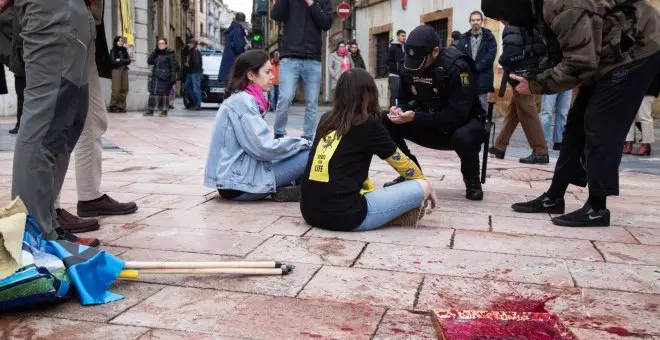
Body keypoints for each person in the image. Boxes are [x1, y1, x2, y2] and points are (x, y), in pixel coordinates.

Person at [483, 0, 660, 227]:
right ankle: (554, 197)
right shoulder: (540, 9)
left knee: (600, 123)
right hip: (607, 52)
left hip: (638, 49)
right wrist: (536, 71)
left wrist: (535, 84)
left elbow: (580, 64)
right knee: (575, 125)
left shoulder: (565, 6)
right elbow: (563, 51)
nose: (505, 23)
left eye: (501, 18)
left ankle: (597, 208)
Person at [5, 0, 98, 246]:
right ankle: (32, 235)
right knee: (45, 124)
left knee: (70, 119)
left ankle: (48, 224)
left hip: (76, 9)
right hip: (52, 9)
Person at [301, 68, 437, 231]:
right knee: (421, 186)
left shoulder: (326, 119)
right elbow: (403, 165)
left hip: (309, 212)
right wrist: (425, 185)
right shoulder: (368, 124)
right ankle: (389, 215)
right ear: (369, 94)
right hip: (346, 216)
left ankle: (388, 213)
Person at [381, 25, 486, 201]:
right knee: (385, 119)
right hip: (428, 122)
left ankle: (472, 179)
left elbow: (457, 115)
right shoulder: (408, 65)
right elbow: (402, 97)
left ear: (435, 51)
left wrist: (416, 116)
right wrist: (399, 109)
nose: (416, 67)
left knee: (464, 135)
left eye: (422, 61)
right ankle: (410, 172)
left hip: (459, 126)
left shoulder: (457, 67)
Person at [204, 50, 312, 202]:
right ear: (251, 75)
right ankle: (304, 190)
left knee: (293, 151)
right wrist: (303, 143)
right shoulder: (244, 102)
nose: (272, 76)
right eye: (267, 72)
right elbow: (264, 147)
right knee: (310, 152)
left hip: (233, 181)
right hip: (240, 185)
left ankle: (293, 188)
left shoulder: (239, 98)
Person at [271, 0, 332, 141]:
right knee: (285, 97)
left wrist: (311, 3)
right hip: (289, 57)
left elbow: (326, 23)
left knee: (312, 102)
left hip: (313, 58)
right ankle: (279, 133)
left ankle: (307, 136)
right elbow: (275, 14)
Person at [489, 25, 549, 164]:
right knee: (514, 111)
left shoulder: (512, 26)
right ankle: (500, 146)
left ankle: (541, 151)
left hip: (520, 75)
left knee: (528, 112)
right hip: (533, 72)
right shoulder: (530, 22)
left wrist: (501, 60)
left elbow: (509, 55)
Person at [457, 11, 497, 111]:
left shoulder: (489, 36)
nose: (475, 22)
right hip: (465, 75)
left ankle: (481, 125)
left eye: (478, 20)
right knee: (466, 103)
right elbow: (459, 55)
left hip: (483, 75)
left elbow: (491, 55)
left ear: (481, 21)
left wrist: (476, 67)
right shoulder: (463, 38)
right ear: (470, 22)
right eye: (473, 20)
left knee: (481, 104)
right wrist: (467, 67)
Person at [0, 4, 24, 135]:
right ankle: (20, 123)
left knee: (24, 91)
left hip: (21, 51)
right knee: (21, 91)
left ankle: (21, 123)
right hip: (17, 54)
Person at [625, 73, 659, 156]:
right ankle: (628, 142)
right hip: (631, 85)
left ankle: (645, 144)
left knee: (644, 116)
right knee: (629, 116)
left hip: (648, 85)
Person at [146, 38, 177, 116]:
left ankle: (164, 111)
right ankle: (150, 110)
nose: (161, 45)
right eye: (159, 43)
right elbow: (149, 61)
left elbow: (173, 67)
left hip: (165, 77)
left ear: (166, 45)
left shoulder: (170, 54)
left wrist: (172, 78)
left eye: (162, 43)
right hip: (155, 76)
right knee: (153, 93)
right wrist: (155, 51)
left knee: (164, 94)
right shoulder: (156, 53)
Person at [218, 12, 247, 83]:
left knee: (230, 89)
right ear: (243, 21)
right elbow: (239, 48)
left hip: (229, 67)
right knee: (234, 89)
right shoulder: (238, 31)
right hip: (234, 66)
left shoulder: (232, 30)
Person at [108, 36, 131, 113]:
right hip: (116, 70)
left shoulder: (125, 51)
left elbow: (129, 61)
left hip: (124, 70)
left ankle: (121, 106)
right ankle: (113, 106)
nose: (121, 42)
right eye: (119, 41)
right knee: (116, 89)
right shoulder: (113, 51)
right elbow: (112, 62)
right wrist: (122, 61)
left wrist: (120, 60)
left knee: (124, 89)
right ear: (116, 42)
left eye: (122, 41)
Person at [386, 29, 406, 108]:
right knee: (395, 95)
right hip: (394, 75)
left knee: (403, 94)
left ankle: (401, 111)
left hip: (403, 75)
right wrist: (398, 67)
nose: (404, 37)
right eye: (402, 36)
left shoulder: (406, 47)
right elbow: (388, 61)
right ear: (398, 37)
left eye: (405, 36)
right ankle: (393, 112)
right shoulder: (392, 48)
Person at [182, 39, 203, 110]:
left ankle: (198, 104)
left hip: (196, 72)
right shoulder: (191, 51)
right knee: (186, 87)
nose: (189, 45)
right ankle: (195, 101)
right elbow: (184, 53)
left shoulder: (195, 51)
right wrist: (186, 46)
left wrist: (189, 64)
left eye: (189, 44)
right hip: (191, 72)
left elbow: (196, 62)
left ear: (193, 44)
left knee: (196, 88)